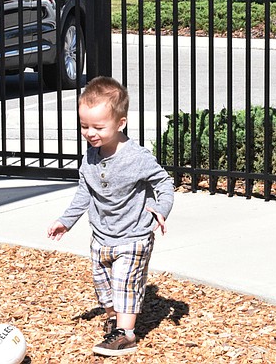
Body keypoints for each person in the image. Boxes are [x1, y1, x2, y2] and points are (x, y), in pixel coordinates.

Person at [47, 76, 174, 356]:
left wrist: (161, 210)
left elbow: (164, 183)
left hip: (134, 235)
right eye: (84, 126)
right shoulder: (91, 155)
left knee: (125, 283)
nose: (90, 133)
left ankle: (126, 335)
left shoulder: (137, 157)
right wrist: (65, 221)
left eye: (98, 127)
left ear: (121, 123)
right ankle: (114, 322)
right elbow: (85, 191)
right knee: (104, 287)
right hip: (101, 236)